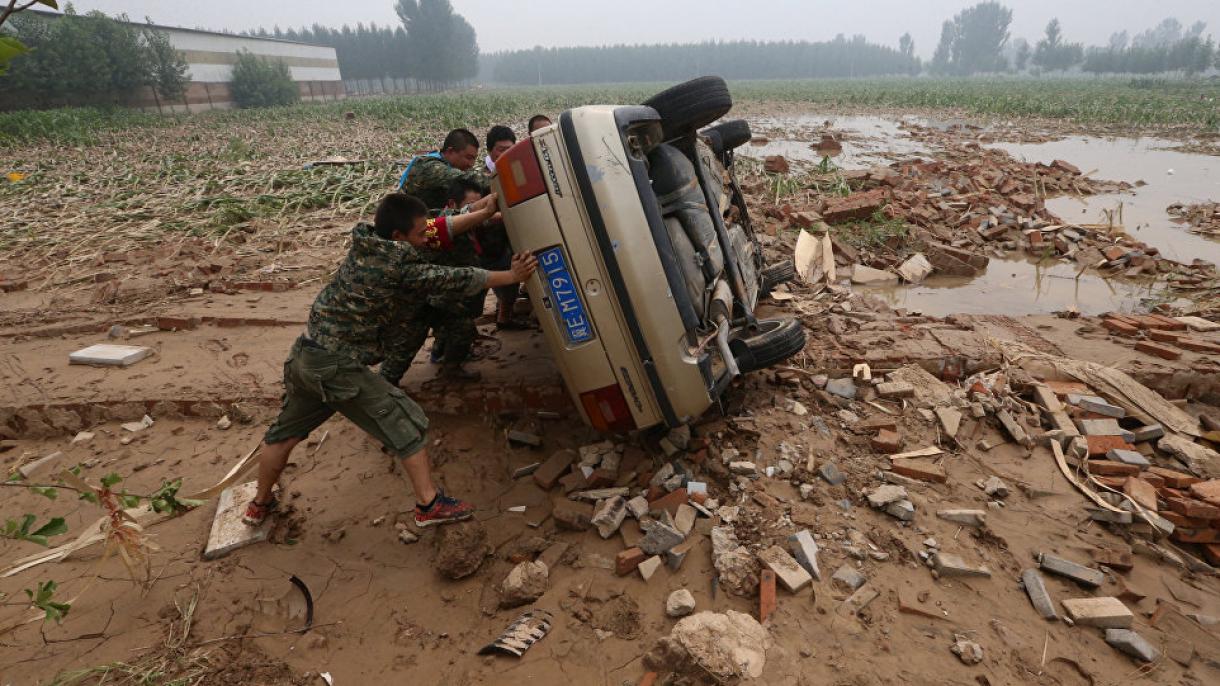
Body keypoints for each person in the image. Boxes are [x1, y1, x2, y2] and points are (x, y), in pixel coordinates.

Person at [243, 192, 538, 529]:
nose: (427, 237)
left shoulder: (368, 242)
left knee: (283, 435)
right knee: (407, 424)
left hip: (304, 356)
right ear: (399, 237)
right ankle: (429, 504)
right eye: (419, 235)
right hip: (337, 365)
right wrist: (512, 277)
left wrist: (481, 210)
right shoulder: (398, 266)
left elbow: (437, 226)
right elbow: (455, 279)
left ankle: (259, 504)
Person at [380, 178, 487, 386]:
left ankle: (450, 366)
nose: (474, 213)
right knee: (406, 346)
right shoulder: (431, 227)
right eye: (470, 206)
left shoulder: (471, 227)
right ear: (453, 205)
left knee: (462, 326)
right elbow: (448, 224)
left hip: (443, 293)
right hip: (419, 299)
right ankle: (384, 386)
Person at [480, 126, 530, 330]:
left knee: (510, 281)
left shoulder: (514, 171)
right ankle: (504, 318)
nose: (505, 153)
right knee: (503, 280)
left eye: (510, 148)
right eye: (501, 149)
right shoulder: (483, 179)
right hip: (489, 243)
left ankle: (504, 314)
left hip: (507, 239)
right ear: (490, 150)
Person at [399, 128, 487, 210]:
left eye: (474, 159)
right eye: (468, 158)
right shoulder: (429, 167)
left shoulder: (448, 165)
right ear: (450, 151)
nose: (471, 164)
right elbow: (464, 178)